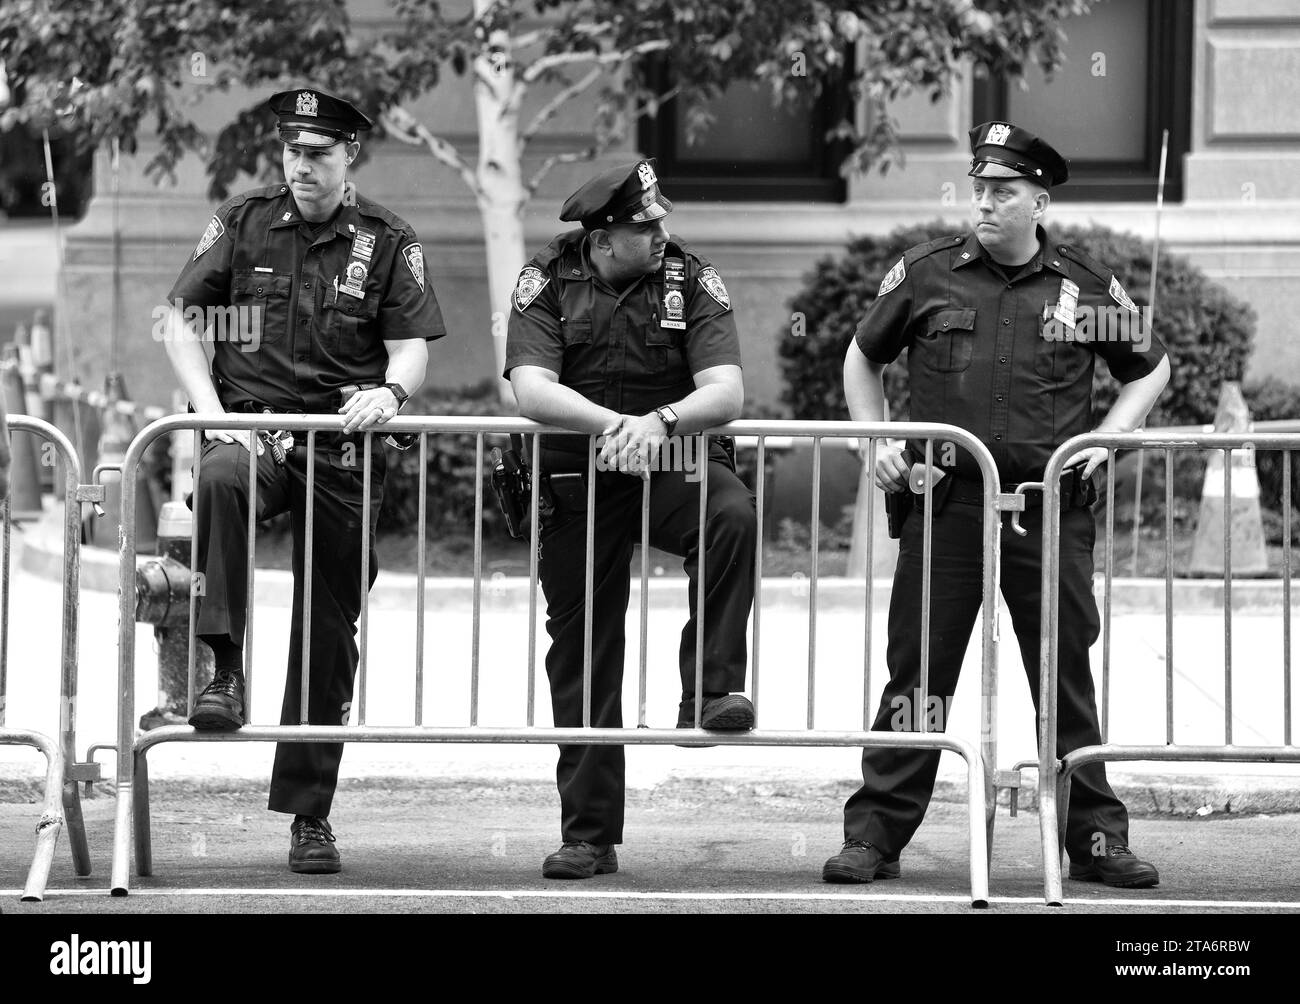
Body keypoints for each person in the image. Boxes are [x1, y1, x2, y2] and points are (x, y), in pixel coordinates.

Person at [825, 121, 1171, 888]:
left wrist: (1109, 438)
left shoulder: (1080, 288)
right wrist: (872, 439)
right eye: (979, 189)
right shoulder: (927, 275)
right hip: (946, 508)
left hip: (1048, 511)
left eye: (1002, 192)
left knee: (1062, 674)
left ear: (1038, 200)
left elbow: (1149, 369)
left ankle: (1094, 840)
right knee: (917, 678)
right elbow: (862, 357)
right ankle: (876, 834)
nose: (984, 202)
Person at [159, 87, 445, 874]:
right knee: (219, 474)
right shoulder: (244, 220)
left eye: (318, 154)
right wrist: (217, 416)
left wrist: (392, 393)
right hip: (256, 430)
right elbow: (179, 317)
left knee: (327, 633)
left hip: (342, 448)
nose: (302, 167)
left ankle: (309, 816)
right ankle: (223, 668)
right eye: (293, 152)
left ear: (350, 155)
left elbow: (412, 344)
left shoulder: (387, 239)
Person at [506, 159, 757, 879]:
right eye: (646, 225)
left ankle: (709, 690)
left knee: (730, 512)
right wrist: (622, 425)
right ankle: (589, 835)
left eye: (660, 221)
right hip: (578, 475)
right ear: (605, 235)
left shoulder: (690, 277)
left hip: (669, 460)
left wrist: (659, 422)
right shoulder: (546, 279)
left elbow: (727, 389)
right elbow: (531, 388)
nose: (661, 233)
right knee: (584, 653)